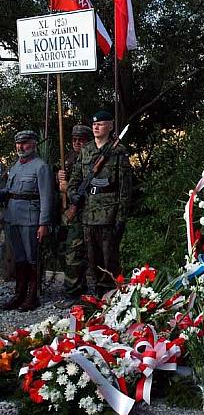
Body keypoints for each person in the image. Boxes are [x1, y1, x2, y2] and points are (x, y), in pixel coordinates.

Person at [68, 110, 132, 297]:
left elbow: (125, 190)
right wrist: (74, 196)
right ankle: (97, 295)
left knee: (109, 259)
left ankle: (112, 296)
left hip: (108, 215)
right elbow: (75, 179)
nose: (96, 127)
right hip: (88, 213)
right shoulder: (86, 150)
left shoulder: (118, 152)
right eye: (94, 124)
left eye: (101, 124)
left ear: (111, 127)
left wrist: (121, 218)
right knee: (92, 258)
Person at [0, 131, 53, 311]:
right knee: (20, 258)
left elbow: (46, 197)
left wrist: (43, 223)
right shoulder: (15, 167)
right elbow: (9, 190)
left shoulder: (41, 167)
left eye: (25, 143)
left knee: (32, 258)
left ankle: (32, 296)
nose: (21, 147)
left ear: (34, 143)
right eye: (18, 143)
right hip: (12, 217)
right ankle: (19, 293)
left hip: (31, 218)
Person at [55, 124, 93, 308]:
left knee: (75, 253)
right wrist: (59, 178)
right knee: (62, 250)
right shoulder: (69, 157)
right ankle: (73, 285)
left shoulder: (91, 157)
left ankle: (75, 291)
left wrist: (67, 187)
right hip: (65, 212)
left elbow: (87, 187)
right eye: (74, 139)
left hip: (80, 212)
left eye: (81, 139)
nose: (77, 143)